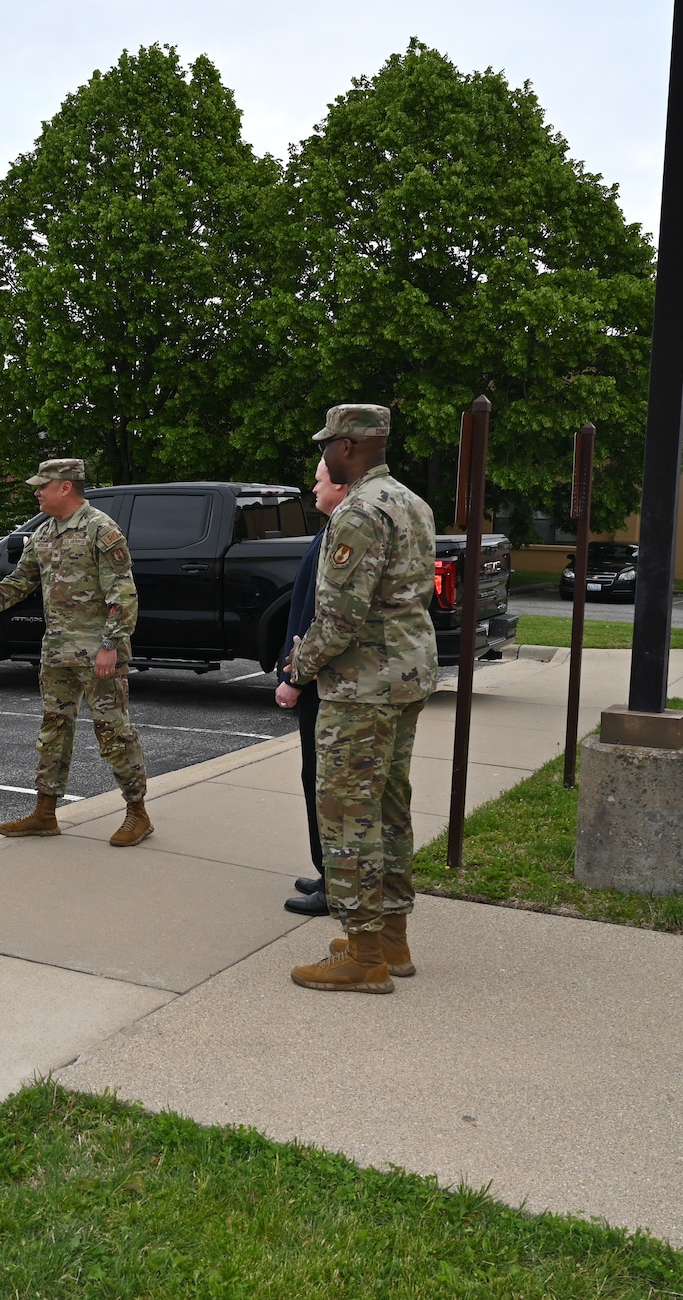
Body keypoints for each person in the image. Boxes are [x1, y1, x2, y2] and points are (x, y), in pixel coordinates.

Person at [284, 404, 437, 993]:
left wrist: (297, 670)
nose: (323, 453)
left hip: (361, 685)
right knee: (390, 807)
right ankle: (390, 938)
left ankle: (364, 958)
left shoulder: (358, 512)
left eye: (328, 444)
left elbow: (339, 618)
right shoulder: (410, 501)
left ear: (348, 447)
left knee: (348, 813)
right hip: (405, 677)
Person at [0, 458, 151, 845]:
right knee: (53, 730)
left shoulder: (100, 529)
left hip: (97, 654)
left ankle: (137, 812)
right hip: (57, 651)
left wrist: (110, 646)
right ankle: (45, 812)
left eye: (43, 485)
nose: (37, 491)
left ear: (65, 487)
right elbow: (17, 583)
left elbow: (123, 595)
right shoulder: (45, 533)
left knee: (113, 731)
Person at [275, 458, 349, 916]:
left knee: (326, 783)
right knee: (316, 778)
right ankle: (328, 872)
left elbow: (324, 617)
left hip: (324, 679)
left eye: (319, 480)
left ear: (339, 485)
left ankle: (337, 886)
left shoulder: (345, 531)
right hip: (318, 674)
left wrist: (294, 678)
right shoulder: (331, 530)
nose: (313, 487)